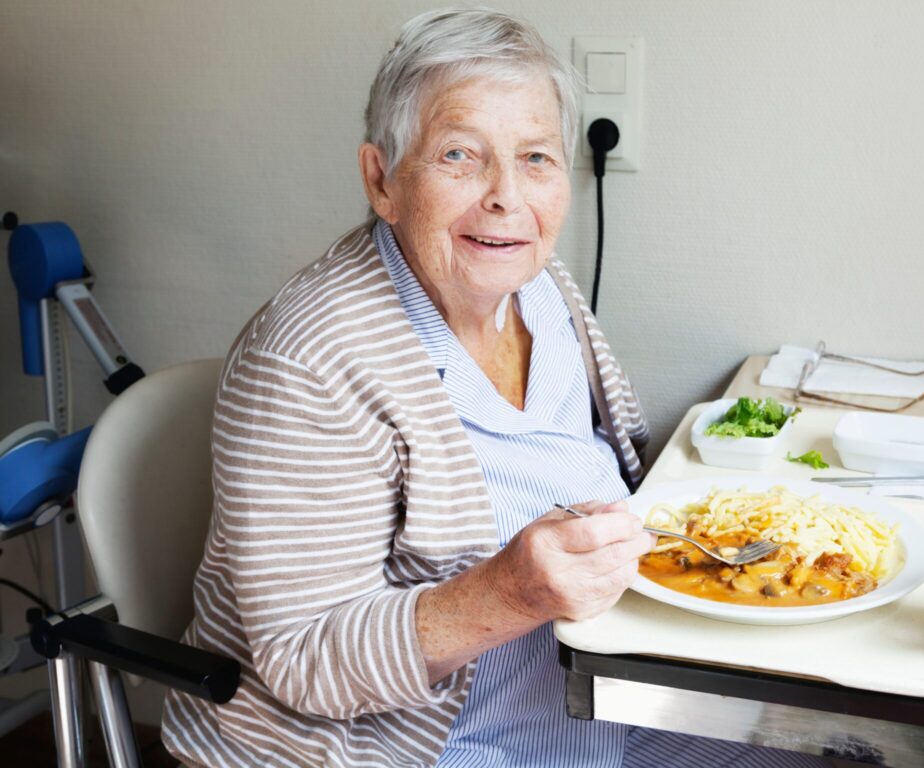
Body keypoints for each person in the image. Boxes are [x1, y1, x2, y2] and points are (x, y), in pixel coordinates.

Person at [162, 9, 829, 767]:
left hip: (602, 703)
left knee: (841, 748)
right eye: (459, 155)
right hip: (414, 748)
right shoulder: (310, 361)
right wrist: (511, 594)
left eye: (537, 158)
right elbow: (303, 658)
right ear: (382, 179)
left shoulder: (541, 289)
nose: (507, 196)